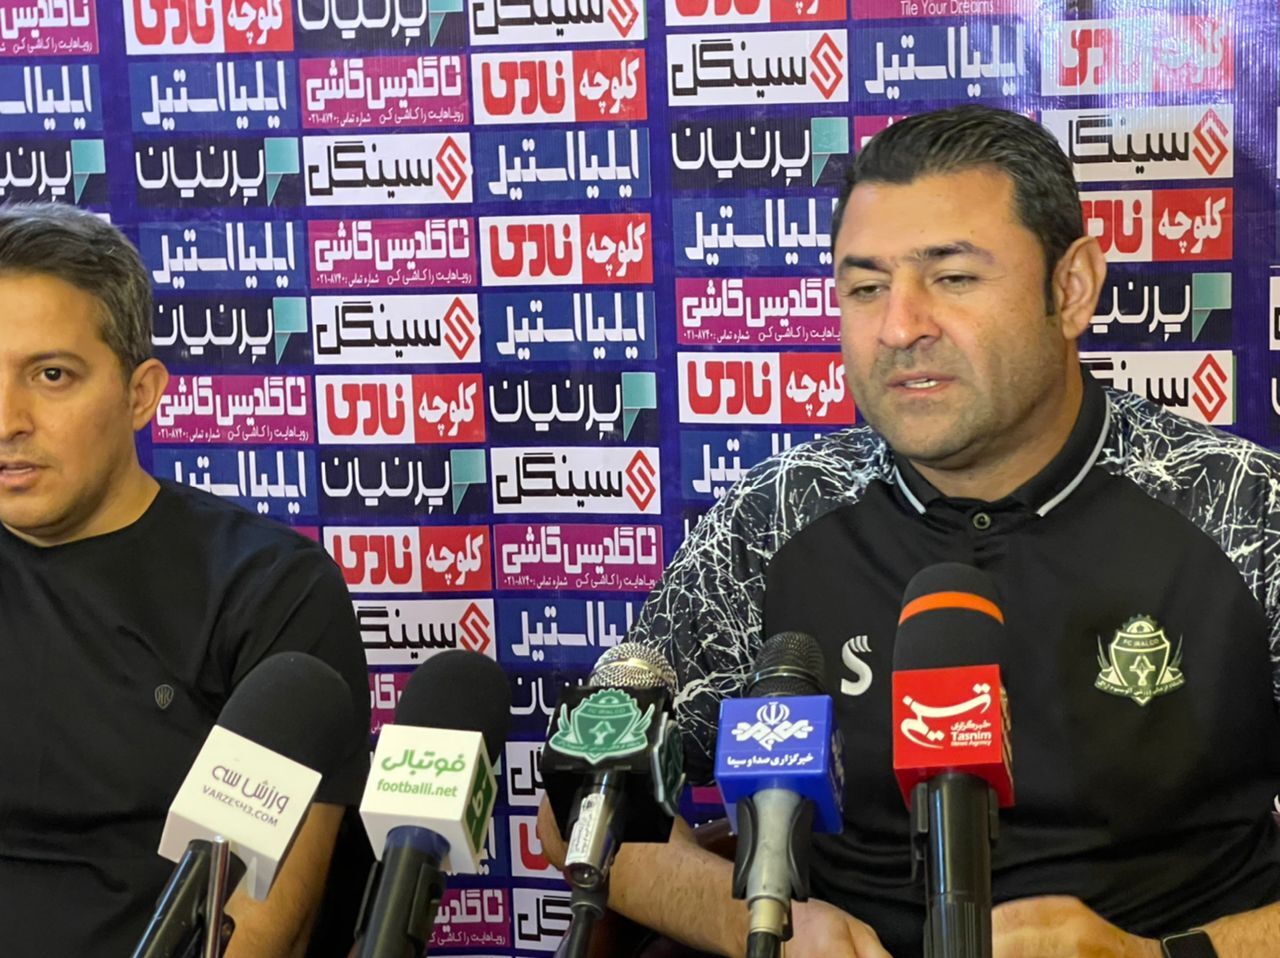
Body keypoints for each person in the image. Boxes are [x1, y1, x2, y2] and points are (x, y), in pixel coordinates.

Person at [538, 105, 1280, 957]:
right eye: (865, 288)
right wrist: (763, 925)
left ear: (1071, 288)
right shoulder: (775, 518)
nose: (900, 327)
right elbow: (579, 808)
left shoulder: (1242, 509)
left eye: (953, 278)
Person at [0, 202, 371, 956]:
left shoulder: (271, 591)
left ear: (140, 394)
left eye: (51, 375)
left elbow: (266, 929)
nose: (7, 419)